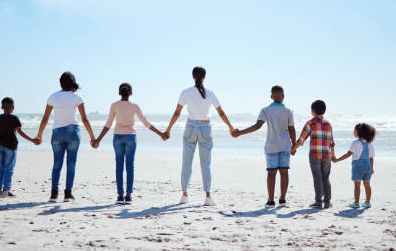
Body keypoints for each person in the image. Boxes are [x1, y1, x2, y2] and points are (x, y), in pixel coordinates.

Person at [164, 66, 235, 206]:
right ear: (204, 77)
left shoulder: (186, 92)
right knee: (206, 164)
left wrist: (168, 129)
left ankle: (184, 195)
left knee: (186, 162)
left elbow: (177, 113)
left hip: (190, 126)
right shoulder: (210, 93)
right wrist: (230, 127)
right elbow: (221, 113)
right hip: (205, 128)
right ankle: (208, 196)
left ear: (192, 76)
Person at [92, 83, 167, 203]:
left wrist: (98, 140)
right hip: (131, 137)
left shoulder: (114, 105)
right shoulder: (135, 106)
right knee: (130, 166)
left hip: (117, 137)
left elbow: (108, 124)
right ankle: (128, 195)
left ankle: (120, 196)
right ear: (131, 93)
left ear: (119, 93)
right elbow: (146, 123)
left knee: (119, 167)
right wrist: (161, 134)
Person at [34, 71, 96, 202]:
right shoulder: (77, 97)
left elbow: (45, 119)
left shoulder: (53, 97)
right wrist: (92, 137)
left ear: (60, 83)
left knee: (57, 163)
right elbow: (84, 119)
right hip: (73, 131)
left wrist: (39, 135)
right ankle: (68, 194)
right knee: (71, 163)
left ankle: (54, 194)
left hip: (57, 132)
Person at [232, 86, 296, 207]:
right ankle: (282, 199)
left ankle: (271, 200)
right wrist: (294, 145)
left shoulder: (266, 110)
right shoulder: (288, 111)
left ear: (271, 97)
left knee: (271, 174)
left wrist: (240, 132)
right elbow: (291, 129)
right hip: (285, 146)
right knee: (284, 172)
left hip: (271, 146)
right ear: (283, 97)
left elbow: (257, 126)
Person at [0, 97, 38, 198]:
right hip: (11, 146)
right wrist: (32, 140)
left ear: (2, 107)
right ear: (13, 108)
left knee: (1, 168)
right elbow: (20, 132)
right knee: (9, 169)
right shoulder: (14, 118)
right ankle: (6, 190)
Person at [291, 100, 335, 209]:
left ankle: (318, 202)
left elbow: (301, 140)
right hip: (326, 155)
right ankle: (327, 202)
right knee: (326, 178)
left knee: (317, 178)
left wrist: (293, 149)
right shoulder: (328, 124)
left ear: (312, 111)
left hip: (314, 154)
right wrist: (333, 155)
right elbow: (331, 142)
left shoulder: (310, 123)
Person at [332, 123, 376, 208]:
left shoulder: (355, 143)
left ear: (359, 132)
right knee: (367, 184)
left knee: (357, 185)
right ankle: (367, 202)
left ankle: (356, 203)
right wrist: (372, 168)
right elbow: (371, 158)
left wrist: (337, 160)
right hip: (367, 166)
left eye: (354, 131)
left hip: (358, 166)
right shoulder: (370, 144)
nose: (353, 132)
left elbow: (348, 154)